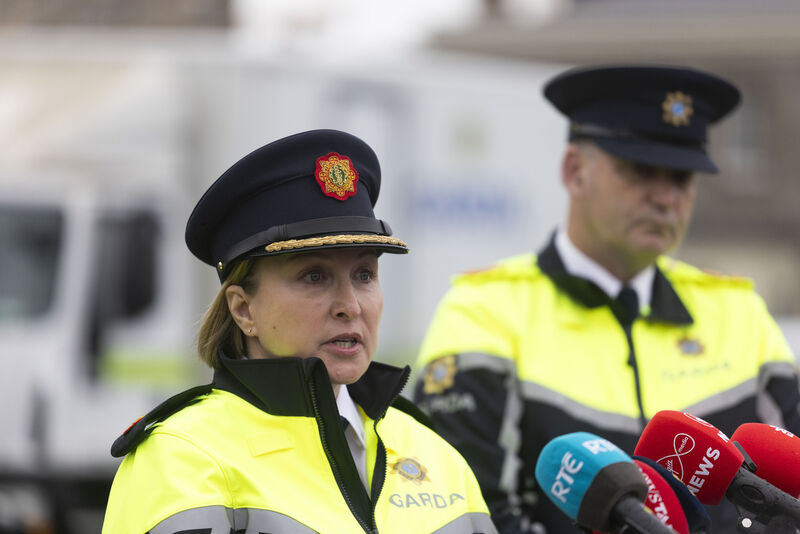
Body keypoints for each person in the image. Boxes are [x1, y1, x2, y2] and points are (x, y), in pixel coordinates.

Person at [413, 65, 800, 533]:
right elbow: (473, 511)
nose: (665, 197)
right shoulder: (484, 311)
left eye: (682, 177)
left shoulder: (739, 312)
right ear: (574, 171)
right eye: (640, 170)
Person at [102, 129, 497, 534]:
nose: (351, 305)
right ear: (243, 309)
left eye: (364, 274)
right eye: (314, 276)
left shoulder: (434, 452)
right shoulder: (183, 457)